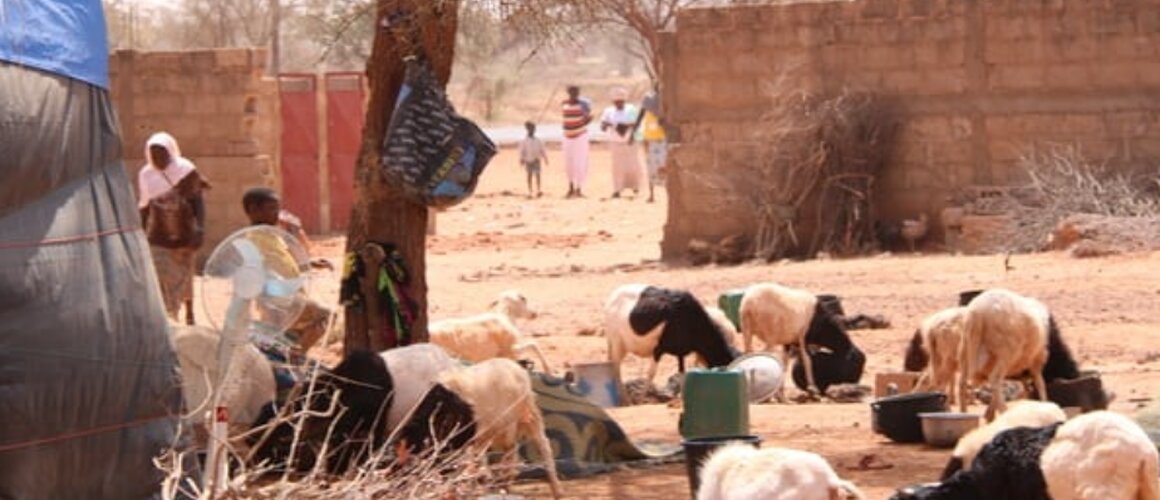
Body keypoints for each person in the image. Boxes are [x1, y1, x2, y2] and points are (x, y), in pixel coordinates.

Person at [241, 187, 334, 359]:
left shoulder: (273, 235)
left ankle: (288, 356)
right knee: (323, 315)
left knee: (289, 331)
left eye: (277, 208)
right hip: (278, 296)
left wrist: (309, 264)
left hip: (289, 294)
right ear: (253, 210)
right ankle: (295, 356)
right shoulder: (254, 238)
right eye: (271, 209)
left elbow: (284, 262)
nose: (277, 213)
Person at [138, 132, 207, 324]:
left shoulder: (186, 170)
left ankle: (188, 311)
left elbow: (198, 202)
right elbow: (144, 205)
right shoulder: (146, 174)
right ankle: (169, 315)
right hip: (158, 234)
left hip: (184, 233)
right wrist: (141, 234)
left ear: (170, 152)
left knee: (184, 276)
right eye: (153, 154)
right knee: (160, 275)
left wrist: (200, 229)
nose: (158, 158)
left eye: (162, 153)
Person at [600, 87, 644, 199]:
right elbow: (603, 125)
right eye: (616, 102)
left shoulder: (631, 109)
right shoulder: (608, 111)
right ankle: (617, 190)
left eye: (621, 101)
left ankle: (635, 187)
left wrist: (630, 133)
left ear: (624, 100)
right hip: (615, 142)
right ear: (613, 102)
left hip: (631, 142)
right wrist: (608, 125)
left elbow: (636, 124)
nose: (619, 104)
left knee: (634, 165)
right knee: (617, 167)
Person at [630, 86, 667, 203]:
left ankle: (668, 193)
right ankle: (652, 194)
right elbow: (640, 117)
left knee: (664, 165)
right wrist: (633, 133)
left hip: (663, 137)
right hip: (649, 137)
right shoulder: (648, 99)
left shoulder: (667, 100)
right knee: (650, 165)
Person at [561, 85, 593, 198]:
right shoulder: (564, 104)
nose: (574, 94)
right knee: (568, 163)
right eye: (571, 92)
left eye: (576, 92)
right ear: (568, 92)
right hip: (567, 137)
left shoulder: (583, 104)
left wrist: (580, 124)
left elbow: (589, 117)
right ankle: (570, 187)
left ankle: (579, 188)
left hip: (580, 137)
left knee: (580, 162)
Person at [518, 121, 549, 198]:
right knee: (529, 175)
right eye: (531, 129)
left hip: (536, 160)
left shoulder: (538, 140)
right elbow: (522, 151)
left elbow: (542, 150)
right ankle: (530, 190)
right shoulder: (524, 141)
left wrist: (545, 158)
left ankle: (538, 189)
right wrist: (521, 159)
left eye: (533, 129)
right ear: (527, 130)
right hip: (528, 160)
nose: (532, 130)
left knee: (538, 174)